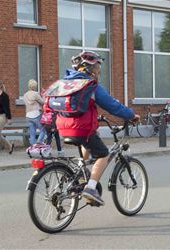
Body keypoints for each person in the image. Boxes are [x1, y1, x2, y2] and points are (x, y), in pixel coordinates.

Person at [56, 51, 140, 205]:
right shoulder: (90, 84)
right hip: (80, 128)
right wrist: (131, 115)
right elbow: (112, 105)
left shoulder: (68, 82)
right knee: (103, 154)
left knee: (91, 136)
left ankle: (82, 173)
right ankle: (91, 188)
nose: (98, 71)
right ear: (90, 68)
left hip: (63, 126)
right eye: (97, 68)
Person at [23, 79, 46, 145]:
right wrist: (44, 96)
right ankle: (39, 141)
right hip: (36, 114)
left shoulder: (25, 95)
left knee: (32, 133)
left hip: (28, 115)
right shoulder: (36, 94)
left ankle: (33, 147)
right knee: (43, 130)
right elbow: (43, 102)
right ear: (35, 86)